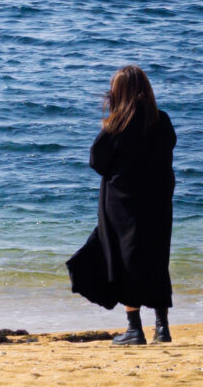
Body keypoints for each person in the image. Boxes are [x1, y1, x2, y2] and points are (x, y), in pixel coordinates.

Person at [67, 65, 177, 345]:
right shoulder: (161, 120)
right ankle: (162, 329)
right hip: (159, 201)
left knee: (125, 259)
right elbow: (169, 148)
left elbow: (96, 161)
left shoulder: (117, 124)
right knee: (156, 259)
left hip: (123, 204)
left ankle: (134, 329)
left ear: (119, 93)